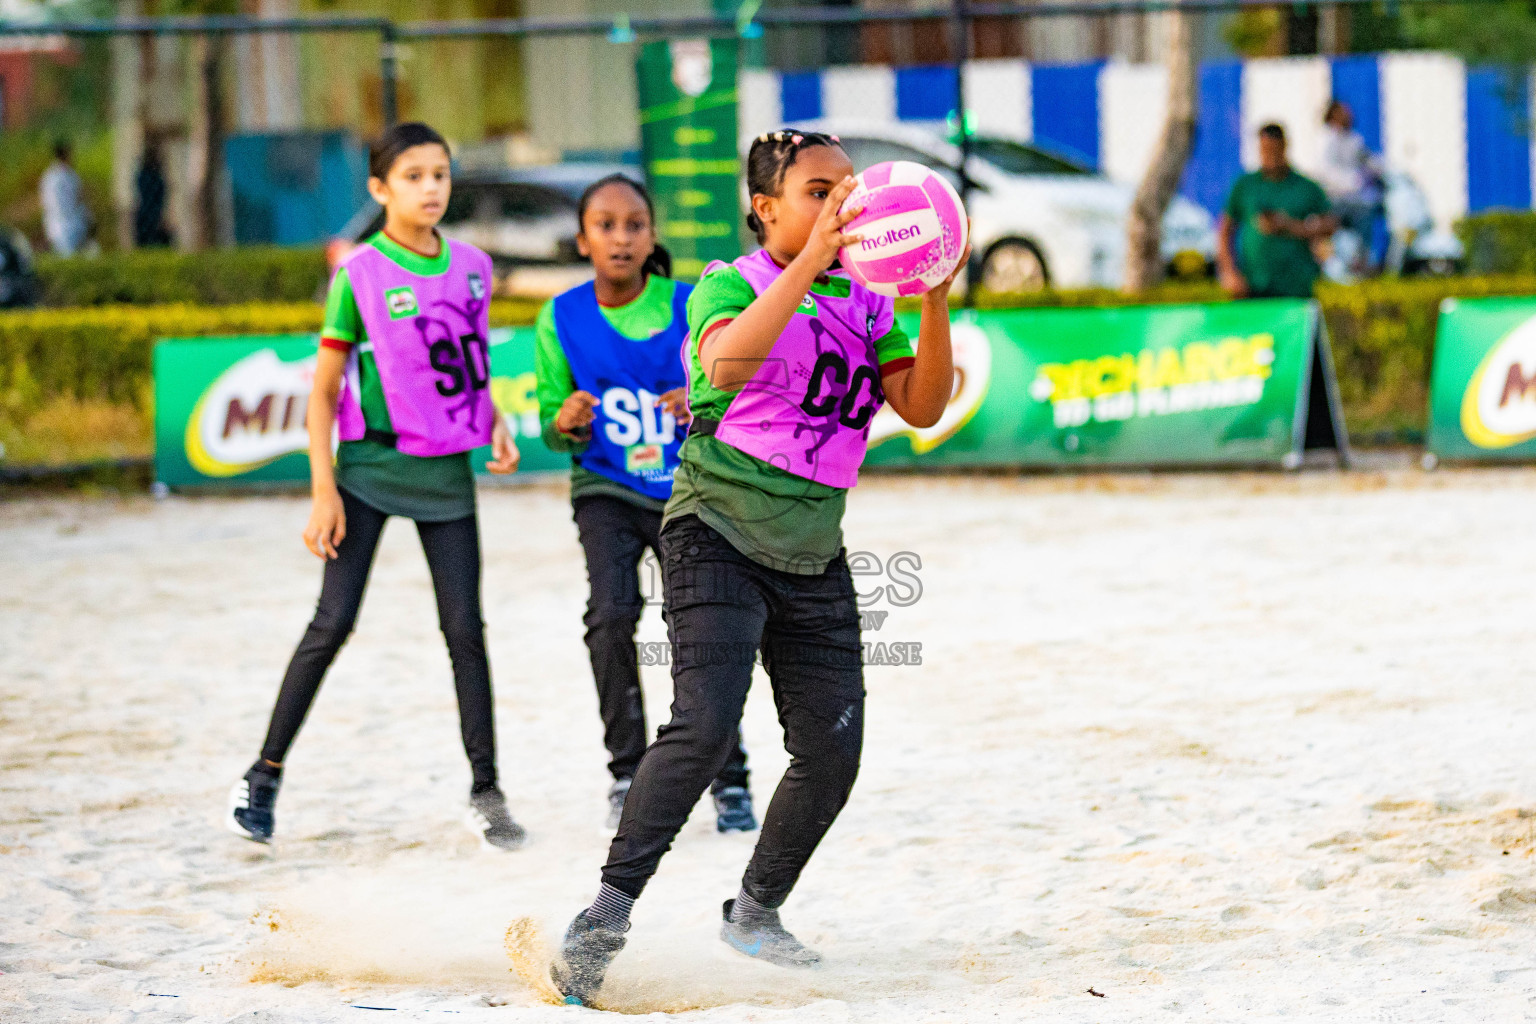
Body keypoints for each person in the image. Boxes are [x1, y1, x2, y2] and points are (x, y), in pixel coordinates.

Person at [548, 129, 967, 1006]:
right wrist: (809, 264)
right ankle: (604, 916)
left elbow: (924, 408)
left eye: (850, 191)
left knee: (833, 751)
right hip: (716, 532)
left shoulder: (871, 303)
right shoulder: (728, 285)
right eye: (820, 192)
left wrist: (931, 300)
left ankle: (756, 910)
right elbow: (724, 365)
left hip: (813, 550)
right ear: (765, 207)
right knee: (702, 728)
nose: (844, 206)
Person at [227, 122, 525, 850]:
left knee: (466, 632)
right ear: (379, 188)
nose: (431, 187)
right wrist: (323, 490)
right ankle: (261, 777)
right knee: (332, 623)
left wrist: (496, 422)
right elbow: (324, 392)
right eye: (414, 175)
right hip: (367, 469)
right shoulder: (358, 272)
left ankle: (487, 793)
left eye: (440, 173)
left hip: (447, 473)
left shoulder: (476, 268)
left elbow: (469, 362)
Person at [535, 173, 757, 833]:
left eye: (634, 224)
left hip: (688, 489)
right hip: (605, 487)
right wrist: (566, 417)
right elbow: (551, 423)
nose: (621, 237)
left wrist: (701, 398)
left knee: (703, 626)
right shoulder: (562, 317)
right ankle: (626, 770)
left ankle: (731, 775)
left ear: (652, 236)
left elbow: (737, 394)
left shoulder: (694, 304)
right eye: (606, 225)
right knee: (610, 617)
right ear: (583, 240)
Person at [1217, 123, 1337, 300]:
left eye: (1275, 150)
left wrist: (1291, 226)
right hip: (1253, 286)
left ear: (1285, 147)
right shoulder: (1245, 186)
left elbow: (1330, 225)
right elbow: (1225, 230)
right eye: (1266, 151)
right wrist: (1229, 272)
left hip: (1296, 286)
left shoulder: (1306, 187)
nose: (1271, 157)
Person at [1317, 99, 1383, 275]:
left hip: (1355, 198)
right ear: (1333, 115)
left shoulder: (1354, 139)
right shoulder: (1327, 139)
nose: (1349, 115)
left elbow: (1369, 161)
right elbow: (1326, 171)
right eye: (1343, 112)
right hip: (1334, 199)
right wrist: (1354, 181)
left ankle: (1363, 264)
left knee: (1366, 215)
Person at [40, 141, 90, 256]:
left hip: (75, 222)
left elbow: (79, 197)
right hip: (61, 224)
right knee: (66, 255)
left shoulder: (71, 175)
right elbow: (51, 204)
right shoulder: (52, 177)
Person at [134, 140, 172, 249]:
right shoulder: (156, 177)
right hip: (153, 211)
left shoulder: (142, 175)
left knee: (146, 240)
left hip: (145, 211)